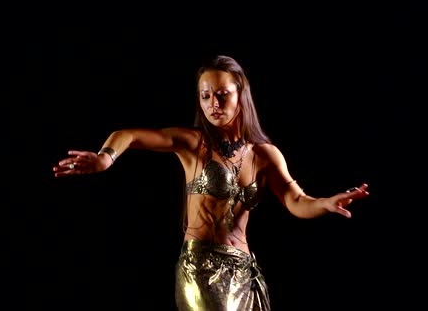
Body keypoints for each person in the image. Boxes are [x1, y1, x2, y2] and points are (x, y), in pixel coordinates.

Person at [52, 55, 370, 310]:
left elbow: (296, 200)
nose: (213, 103)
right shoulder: (195, 145)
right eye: (205, 96)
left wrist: (326, 203)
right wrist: (106, 156)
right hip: (200, 268)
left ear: (240, 95)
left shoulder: (264, 155)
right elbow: (130, 135)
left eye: (222, 94)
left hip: (244, 270)